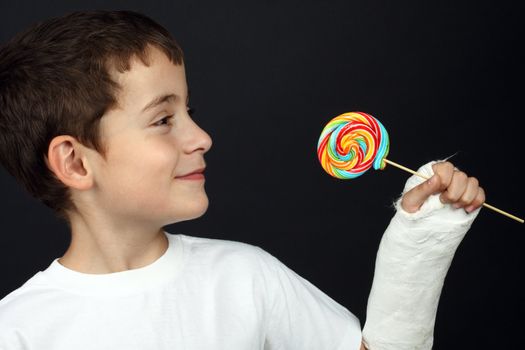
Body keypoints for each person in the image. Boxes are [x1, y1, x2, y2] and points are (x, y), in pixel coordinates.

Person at [0, 10, 485, 350]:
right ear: (76, 163)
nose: (203, 137)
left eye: (189, 111)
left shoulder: (246, 279)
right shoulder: (18, 330)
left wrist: (419, 245)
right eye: (163, 120)